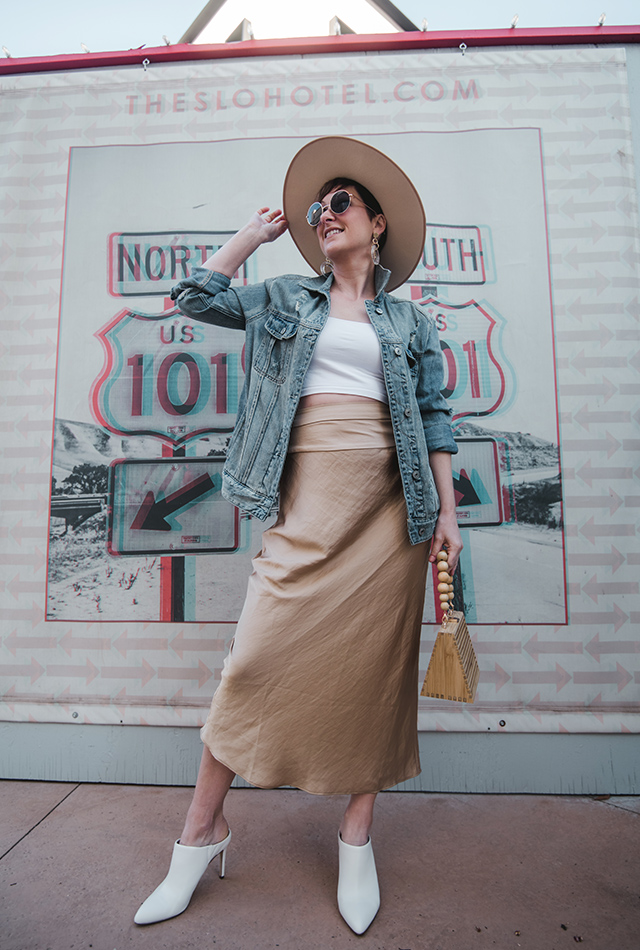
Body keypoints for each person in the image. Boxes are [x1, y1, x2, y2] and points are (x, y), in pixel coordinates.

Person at [134, 136, 462, 935]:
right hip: (307, 498)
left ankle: (357, 835)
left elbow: (432, 416)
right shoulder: (285, 297)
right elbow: (196, 297)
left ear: (378, 224)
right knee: (250, 666)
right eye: (319, 210)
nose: (325, 217)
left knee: (373, 675)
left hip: (391, 507)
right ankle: (200, 832)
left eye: (340, 205)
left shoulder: (408, 320)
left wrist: (448, 514)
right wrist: (252, 235)